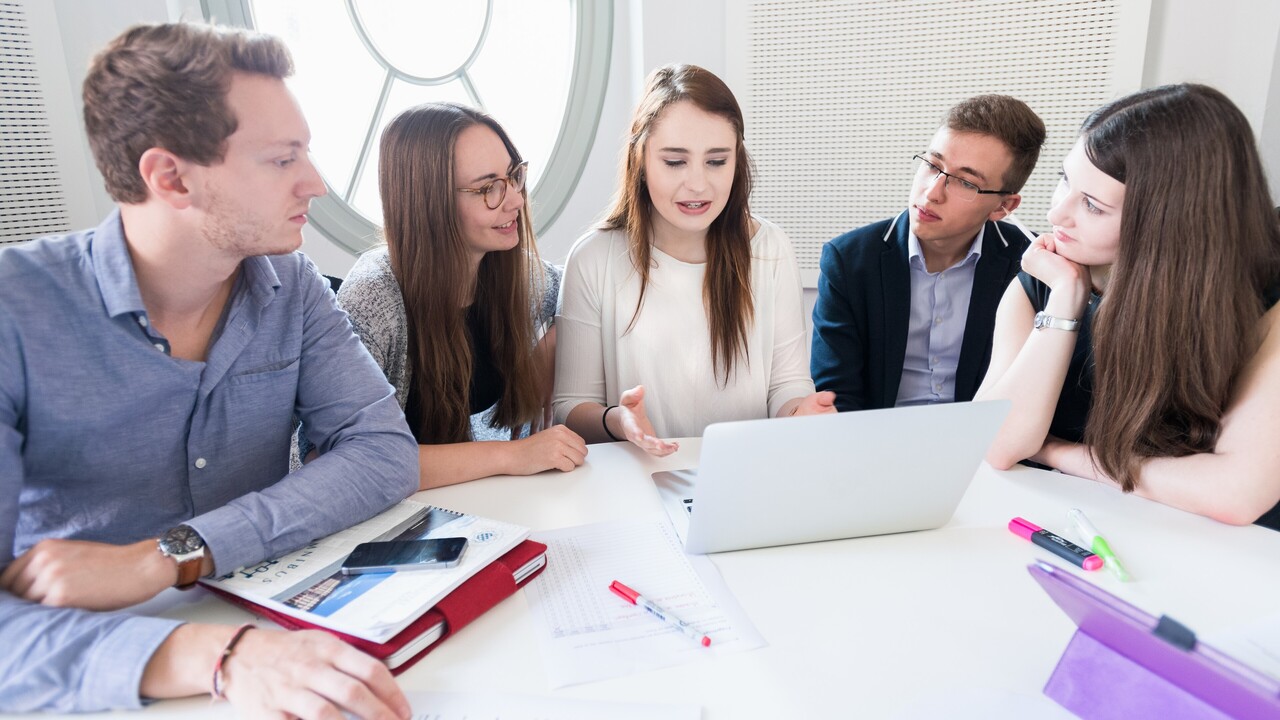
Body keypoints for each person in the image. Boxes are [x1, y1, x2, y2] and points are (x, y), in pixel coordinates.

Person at [0, 22, 418, 716]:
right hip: (90, 671)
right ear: (171, 177)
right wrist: (218, 657)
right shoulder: (15, 311)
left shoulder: (296, 285)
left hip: (279, 636)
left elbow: (382, 453)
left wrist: (171, 554)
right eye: (282, 159)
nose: (314, 182)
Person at [976, 84, 1280, 530]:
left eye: (1093, 206)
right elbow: (994, 442)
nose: (1057, 214)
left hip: (1221, 555)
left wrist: (1060, 452)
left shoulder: (1265, 301)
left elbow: (1235, 494)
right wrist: (1066, 299)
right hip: (1083, 527)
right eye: (1064, 179)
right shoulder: (1045, 280)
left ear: (1168, 224)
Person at [554, 64, 834, 456]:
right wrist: (619, 421)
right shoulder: (593, 258)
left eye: (717, 161)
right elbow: (568, 407)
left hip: (747, 472)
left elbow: (787, 386)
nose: (698, 184)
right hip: (638, 478)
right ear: (641, 160)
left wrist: (798, 414)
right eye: (674, 162)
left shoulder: (769, 250)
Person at [301, 102, 585, 487]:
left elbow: (585, 291)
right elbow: (339, 460)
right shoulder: (373, 299)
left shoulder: (510, 271)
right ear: (429, 203)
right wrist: (512, 454)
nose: (516, 200)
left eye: (513, 176)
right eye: (488, 188)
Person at [811, 95, 1045, 411]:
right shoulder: (849, 261)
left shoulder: (1033, 265)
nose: (932, 192)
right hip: (876, 440)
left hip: (985, 445)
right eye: (932, 165)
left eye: (965, 182)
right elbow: (838, 397)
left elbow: (1039, 395)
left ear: (1003, 206)